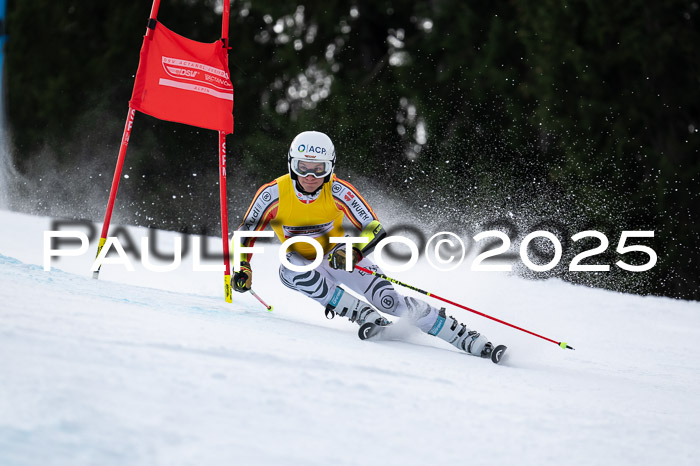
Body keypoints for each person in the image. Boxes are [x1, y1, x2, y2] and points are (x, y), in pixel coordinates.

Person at [233, 131, 494, 358]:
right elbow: (246, 232)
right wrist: (243, 267)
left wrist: (353, 251)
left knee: (389, 301)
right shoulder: (273, 193)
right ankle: (359, 313)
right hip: (301, 260)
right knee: (290, 269)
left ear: (330, 167)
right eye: (303, 167)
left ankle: (461, 336)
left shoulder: (338, 191)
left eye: (319, 168)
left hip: (338, 255)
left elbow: (373, 228)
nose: (310, 176)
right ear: (292, 165)